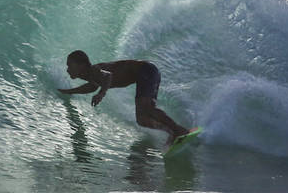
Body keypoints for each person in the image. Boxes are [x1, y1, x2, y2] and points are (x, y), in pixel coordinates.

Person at [58, 50, 192, 146]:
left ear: (81, 65)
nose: (68, 69)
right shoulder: (91, 76)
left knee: (148, 108)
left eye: (70, 65)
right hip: (144, 75)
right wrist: (68, 92)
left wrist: (101, 94)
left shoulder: (94, 70)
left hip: (146, 70)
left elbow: (108, 76)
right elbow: (91, 87)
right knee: (142, 120)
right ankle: (171, 131)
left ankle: (178, 130)